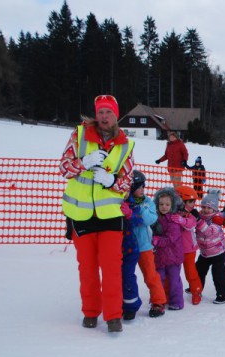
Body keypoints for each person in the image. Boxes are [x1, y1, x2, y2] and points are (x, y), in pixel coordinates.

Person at [59, 94, 135, 333]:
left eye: (108, 113)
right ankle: (91, 312)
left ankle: (113, 316)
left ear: (116, 116)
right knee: (87, 268)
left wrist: (112, 180)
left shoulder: (125, 144)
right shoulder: (79, 136)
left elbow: (128, 182)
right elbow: (64, 167)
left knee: (112, 268)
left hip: (111, 217)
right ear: (96, 114)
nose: (104, 117)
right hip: (81, 216)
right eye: (101, 112)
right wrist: (85, 162)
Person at [129, 171, 168, 317]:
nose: (142, 190)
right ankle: (127, 302)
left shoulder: (148, 203)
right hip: (127, 246)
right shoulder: (124, 201)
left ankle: (158, 301)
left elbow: (149, 220)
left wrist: (138, 209)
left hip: (144, 246)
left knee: (151, 274)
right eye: (138, 187)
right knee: (127, 275)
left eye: (143, 187)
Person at [195, 189, 225, 304]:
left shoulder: (217, 219)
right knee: (198, 270)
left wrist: (198, 220)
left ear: (215, 209)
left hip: (218, 252)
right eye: (204, 207)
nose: (205, 210)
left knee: (218, 273)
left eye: (209, 208)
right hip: (205, 252)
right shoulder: (201, 217)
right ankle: (197, 288)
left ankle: (223, 294)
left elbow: (208, 232)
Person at [151, 187, 186, 311]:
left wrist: (157, 240)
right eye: (161, 204)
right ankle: (159, 300)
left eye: (167, 204)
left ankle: (176, 301)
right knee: (158, 278)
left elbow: (172, 238)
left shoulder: (173, 220)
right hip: (160, 256)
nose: (164, 207)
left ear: (172, 205)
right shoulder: (156, 219)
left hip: (173, 256)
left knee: (174, 280)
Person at [174, 186, 203, 305]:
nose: (193, 204)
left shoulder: (191, 215)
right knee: (173, 272)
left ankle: (196, 291)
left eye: (193, 202)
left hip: (188, 249)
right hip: (174, 249)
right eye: (190, 201)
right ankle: (170, 293)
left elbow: (191, 224)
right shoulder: (172, 213)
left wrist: (182, 221)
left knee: (190, 272)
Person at [119, 194, 141, 321]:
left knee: (127, 276)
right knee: (115, 278)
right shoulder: (109, 200)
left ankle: (131, 306)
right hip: (113, 248)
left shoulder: (133, 203)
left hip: (130, 248)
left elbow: (139, 220)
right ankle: (118, 304)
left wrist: (130, 214)